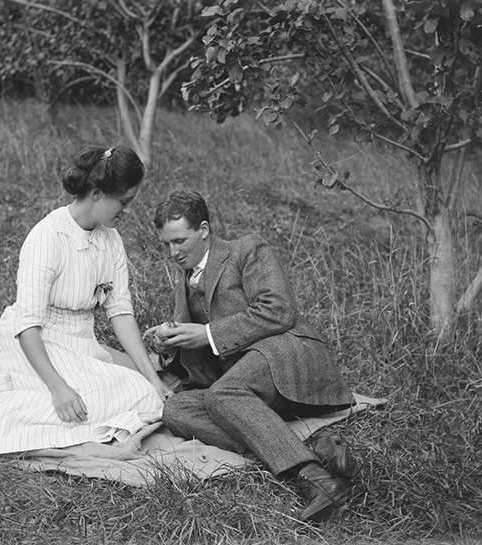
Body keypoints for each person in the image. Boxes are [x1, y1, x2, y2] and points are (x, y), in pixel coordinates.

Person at [0, 145, 172, 456]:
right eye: (123, 202)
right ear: (96, 193)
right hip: (35, 343)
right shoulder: (47, 237)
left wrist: (152, 379)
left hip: (80, 344)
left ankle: (62, 405)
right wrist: (58, 387)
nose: (126, 210)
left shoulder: (111, 240)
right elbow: (27, 325)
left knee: (145, 392)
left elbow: (119, 311)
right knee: (109, 396)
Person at [151, 190, 357, 522]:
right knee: (175, 409)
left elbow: (278, 310)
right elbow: (200, 365)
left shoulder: (247, 250)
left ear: (203, 229)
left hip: (287, 355)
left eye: (179, 241)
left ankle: (316, 483)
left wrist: (206, 334)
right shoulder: (184, 283)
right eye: (167, 245)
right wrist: (169, 346)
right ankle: (315, 452)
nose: (173, 252)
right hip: (244, 388)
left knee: (223, 394)